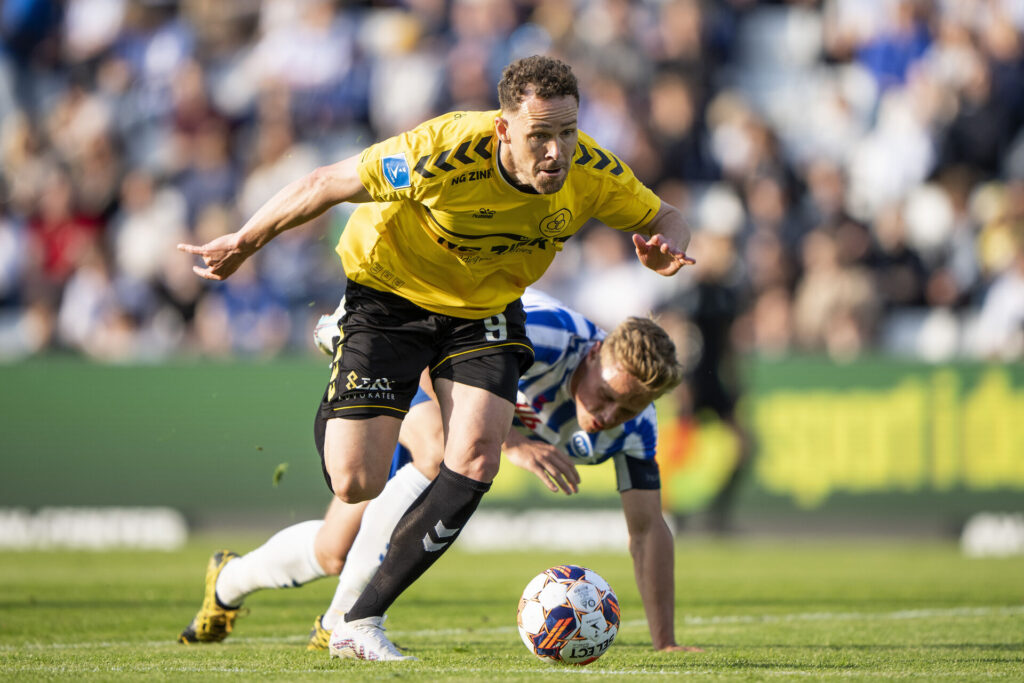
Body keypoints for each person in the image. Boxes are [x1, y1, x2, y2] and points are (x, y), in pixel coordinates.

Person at [177, 55, 693, 661]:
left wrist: (669, 247)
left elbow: (668, 216)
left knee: (469, 457)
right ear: (504, 130)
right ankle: (243, 578)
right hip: (390, 297)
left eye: (568, 133)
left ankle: (357, 621)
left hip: (486, 310)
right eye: (540, 136)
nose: (557, 152)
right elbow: (325, 184)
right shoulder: (442, 152)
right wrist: (245, 240)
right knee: (353, 487)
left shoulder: (594, 172)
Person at [179, 289, 700, 654]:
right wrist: (511, 441)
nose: (608, 415)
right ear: (593, 354)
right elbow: (436, 354)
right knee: (435, 447)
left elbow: (648, 529)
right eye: (606, 396)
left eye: (627, 409)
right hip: (409, 348)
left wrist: (665, 640)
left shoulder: (637, 428)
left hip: (451, 414)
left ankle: (228, 581)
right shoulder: (544, 333)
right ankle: (343, 624)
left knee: (334, 551)